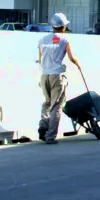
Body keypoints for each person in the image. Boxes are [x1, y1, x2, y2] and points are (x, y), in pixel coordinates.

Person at [37, 13, 82, 144]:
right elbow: (71, 58)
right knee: (56, 106)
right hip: (57, 76)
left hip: (44, 75)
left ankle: (42, 126)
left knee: (46, 102)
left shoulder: (42, 40)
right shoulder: (65, 40)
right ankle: (50, 137)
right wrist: (78, 65)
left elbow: (40, 59)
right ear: (63, 27)